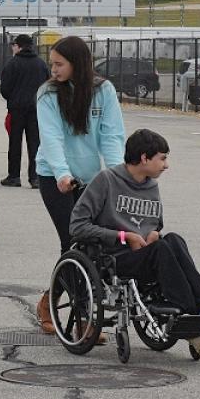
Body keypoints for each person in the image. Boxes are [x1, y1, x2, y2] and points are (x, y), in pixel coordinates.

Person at [69, 128, 200, 358]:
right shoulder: (106, 180)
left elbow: (155, 224)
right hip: (114, 258)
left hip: (145, 254)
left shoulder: (151, 186)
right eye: (162, 158)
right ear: (144, 157)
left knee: (173, 239)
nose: (166, 165)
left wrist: (154, 233)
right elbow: (77, 226)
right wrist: (123, 236)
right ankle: (190, 317)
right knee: (160, 248)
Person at [34, 35, 126, 334]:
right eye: (52, 64)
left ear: (78, 64)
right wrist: (61, 173)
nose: (54, 70)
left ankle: (50, 300)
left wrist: (115, 175)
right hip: (54, 176)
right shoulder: (48, 94)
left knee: (91, 246)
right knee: (72, 242)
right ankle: (84, 316)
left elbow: (112, 136)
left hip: (90, 178)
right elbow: (51, 138)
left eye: (60, 64)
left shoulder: (104, 90)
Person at [0, 33, 50, 189]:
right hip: (36, 109)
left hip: (17, 108)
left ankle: (14, 176)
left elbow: (5, 88)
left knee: (15, 142)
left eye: (14, 45)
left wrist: (12, 99)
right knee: (34, 143)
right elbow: (47, 85)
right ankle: (35, 178)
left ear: (18, 46)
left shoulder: (12, 64)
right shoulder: (41, 64)